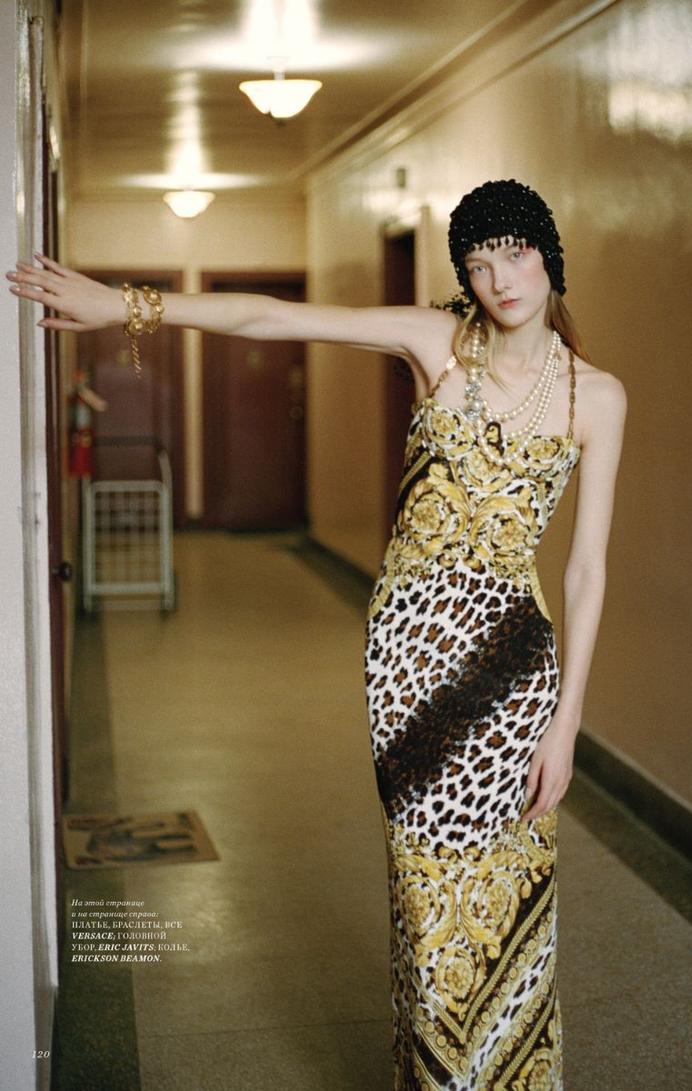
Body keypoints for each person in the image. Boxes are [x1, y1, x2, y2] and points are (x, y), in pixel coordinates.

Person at [7, 178, 626, 1090]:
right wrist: (132, 305)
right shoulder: (437, 342)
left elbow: (586, 569)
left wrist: (567, 721)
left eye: (515, 252)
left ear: (548, 256)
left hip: (514, 672)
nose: (499, 278)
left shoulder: (597, 397)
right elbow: (275, 318)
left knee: (512, 885)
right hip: (411, 664)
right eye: (478, 261)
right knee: (427, 892)